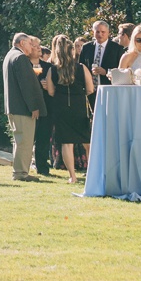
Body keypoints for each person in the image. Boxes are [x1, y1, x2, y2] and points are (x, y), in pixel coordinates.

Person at [45, 34, 94, 184]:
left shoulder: (52, 70)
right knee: (87, 141)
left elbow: (51, 92)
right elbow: (90, 89)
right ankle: (92, 172)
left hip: (61, 108)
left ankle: (72, 176)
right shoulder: (81, 68)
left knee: (67, 143)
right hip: (79, 106)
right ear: (71, 50)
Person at [2, 33, 43, 182]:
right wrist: (34, 106)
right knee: (25, 141)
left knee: (20, 140)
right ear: (22, 43)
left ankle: (19, 171)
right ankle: (21, 173)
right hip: (22, 107)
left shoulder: (10, 55)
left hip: (14, 106)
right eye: (30, 44)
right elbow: (26, 86)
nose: (32, 47)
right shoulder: (20, 58)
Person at [78, 20, 124, 85]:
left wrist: (106, 72)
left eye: (103, 32)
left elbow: (121, 70)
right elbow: (80, 67)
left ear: (108, 32)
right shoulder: (86, 47)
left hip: (108, 86)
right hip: (90, 87)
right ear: (93, 32)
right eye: (97, 32)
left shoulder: (117, 48)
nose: (100, 34)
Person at [32, 44, 54, 176]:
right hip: (31, 106)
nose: (39, 48)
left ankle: (42, 167)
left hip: (47, 106)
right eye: (35, 46)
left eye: (39, 46)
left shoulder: (48, 67)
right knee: (29, 137)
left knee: (44, 137)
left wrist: (49, 86)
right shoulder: (25, 66)